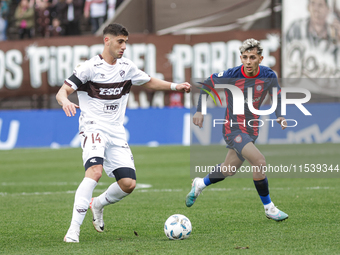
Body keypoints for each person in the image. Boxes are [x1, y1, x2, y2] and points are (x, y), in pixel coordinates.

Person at [56, 23, 191, 243]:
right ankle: (73, 231)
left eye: (125, 42)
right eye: (120, 41)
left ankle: (98, 204)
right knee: (95, 172)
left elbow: (149, 82)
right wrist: (65, 102)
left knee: (128, 184)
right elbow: (62, 92)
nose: (124, 47)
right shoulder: (89, 68)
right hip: (93, 126)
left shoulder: (127, 67)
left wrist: (175, 86)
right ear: (106, 41)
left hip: (116, 131)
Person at [185, 38, 289, 222]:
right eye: (245, 57)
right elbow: (208, 83)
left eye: (252, 57)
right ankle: (269, 208)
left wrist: (279, 115)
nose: (248, 61)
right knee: (259, 161)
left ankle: (200, 183)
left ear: (260, 58)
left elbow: (277, 96)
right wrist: (200, 110)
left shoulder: (269, 75)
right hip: (233, 128)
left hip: (251, 129)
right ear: (241, 58)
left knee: (229, 169)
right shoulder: (232, 74)